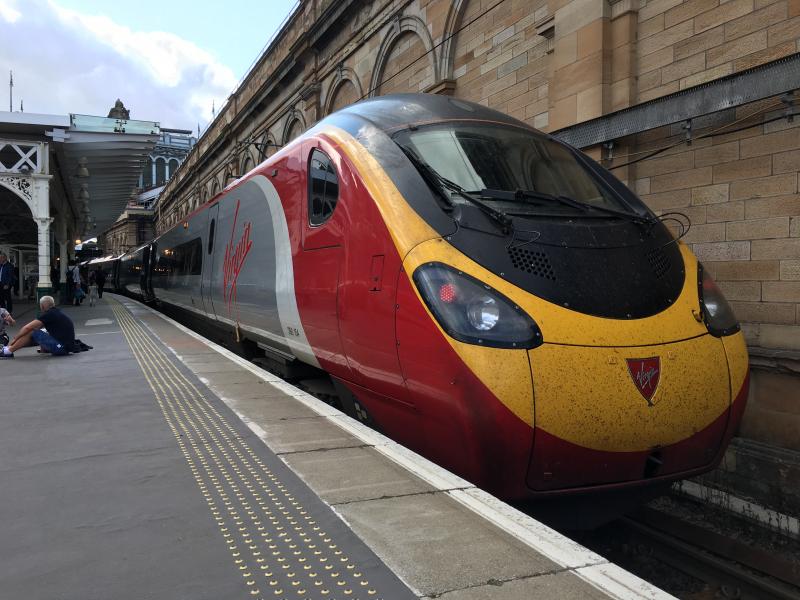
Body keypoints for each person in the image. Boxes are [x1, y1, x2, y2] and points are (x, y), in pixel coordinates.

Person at [1, 295, 74, 358]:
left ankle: (8, 351)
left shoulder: (49, 315)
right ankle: (9, 349)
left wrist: (15, 339)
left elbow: (28, 327)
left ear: (42, 306)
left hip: (61, 348)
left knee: (32, 331)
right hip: (65, 348)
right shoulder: (56, 312)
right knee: (40, 332)